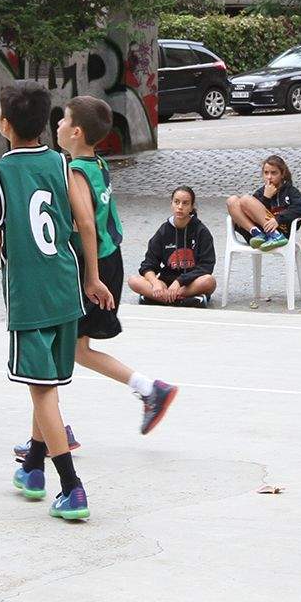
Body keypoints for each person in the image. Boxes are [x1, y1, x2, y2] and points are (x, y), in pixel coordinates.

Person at [0, 82, 109, 522]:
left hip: (28, 295)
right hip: (66, 286)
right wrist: (92, 278)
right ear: (44, 123)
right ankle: (34, 469)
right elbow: (86, 223)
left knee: (42, 392)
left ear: (3, 124)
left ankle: (72, 487)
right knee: (47, 384)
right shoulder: (63, 164)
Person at [58, 96, 180, 433]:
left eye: (63, 120)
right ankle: (146, 389)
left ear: (76, 132)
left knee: (60, 347)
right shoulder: (97, 163)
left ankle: (51, 434)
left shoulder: (76, 171)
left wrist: (90, 277)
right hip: (109, 257)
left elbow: (86, 225)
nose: (58, 125)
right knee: (74, 349)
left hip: (94, 264)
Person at [131, 187, 219, 306]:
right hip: (165, 283)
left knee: (209, 281)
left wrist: (180, 281)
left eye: (185, 203)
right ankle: (184, 300)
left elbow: (206, 267)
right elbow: (148, 265)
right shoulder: (163, 231)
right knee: (133, 281)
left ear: (192, 206)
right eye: (176, 202)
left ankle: (159, 298)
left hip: (190, 284)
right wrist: (155, 283)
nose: (180, 207)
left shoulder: (201, 231)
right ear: (171, 204)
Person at [225, 155, 301, 249]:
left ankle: (275, 235)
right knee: (231, 200)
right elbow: (252, 214)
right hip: (258, 237)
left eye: (274, 173)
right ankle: (257, 233)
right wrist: (266, 197)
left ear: (282, 174)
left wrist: (278, 219)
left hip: (281, 232)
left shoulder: (290, 191)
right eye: (266, 173)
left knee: (245, 199)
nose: (269, 177)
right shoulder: (260, 192)